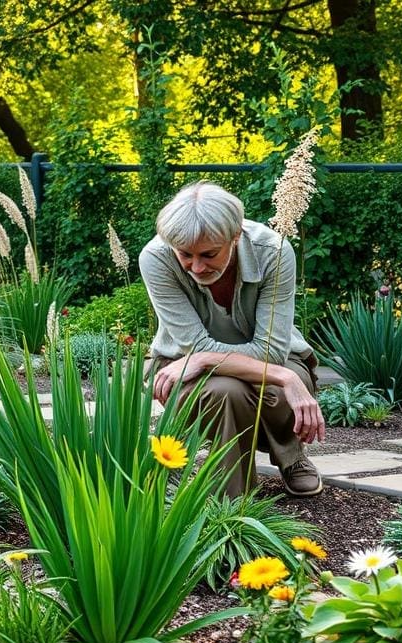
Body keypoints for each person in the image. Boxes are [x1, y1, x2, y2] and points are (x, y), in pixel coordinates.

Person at [138, 181, 325, 498]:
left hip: (272, 358)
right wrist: (282, 375)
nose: (197, 267)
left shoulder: (273, 252)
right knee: (227, 390)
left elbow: (272, 354)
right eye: (185, 255)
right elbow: (193, 348)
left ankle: (291, 457)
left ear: (235, 236)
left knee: (278, 390)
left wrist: (205, 358)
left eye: (209, 254)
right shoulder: (156, 258)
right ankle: (234, 504)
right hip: (179, 365)